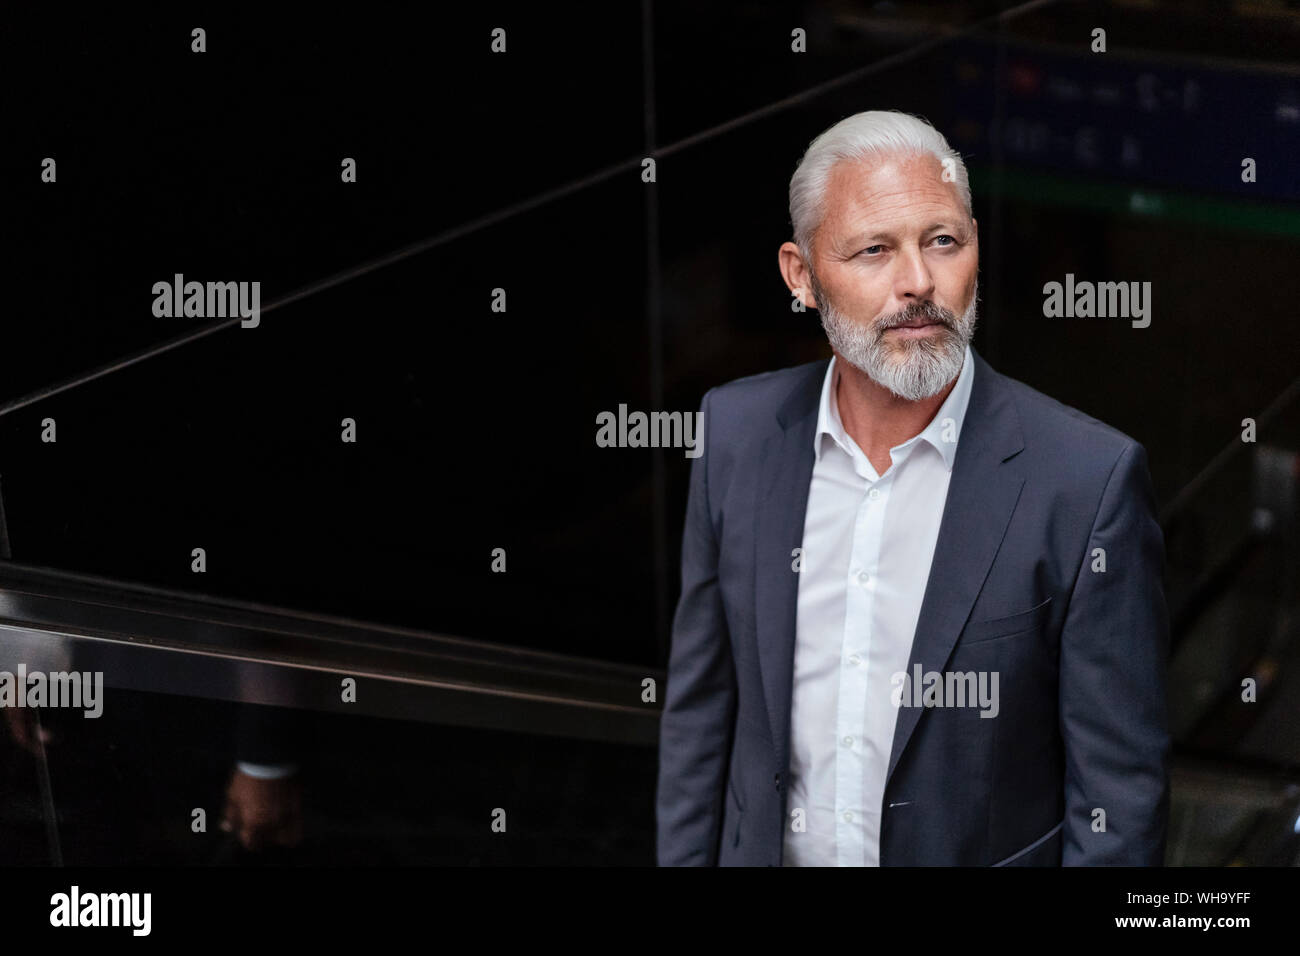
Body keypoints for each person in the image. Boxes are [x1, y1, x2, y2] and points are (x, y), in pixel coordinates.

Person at [655, 110, 1169, 866]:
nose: (918, 283)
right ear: (800, 276)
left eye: (943, 241)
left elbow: (1118, 804)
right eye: (873, 250)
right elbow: (701, 717)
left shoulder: (1086, 482)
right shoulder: (734, 434)